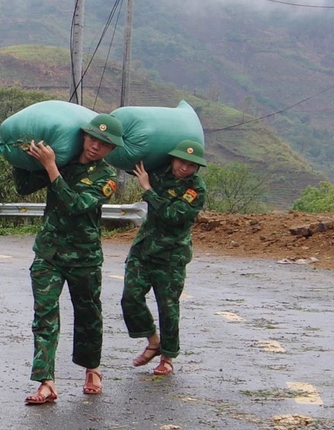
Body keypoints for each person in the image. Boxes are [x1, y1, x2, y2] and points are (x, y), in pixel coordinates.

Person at [18, 114, 123, 406]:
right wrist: (22, 157)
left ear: (111, 150)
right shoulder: (62, 159)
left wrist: (51, 167)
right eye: (92, 139)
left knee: (88, 315)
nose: (95, 147)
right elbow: (24, 186)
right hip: (49, 252)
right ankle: (46, 382)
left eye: (104, 144)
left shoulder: (106, 178)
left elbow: (76, 205)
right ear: (83, 136)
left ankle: (92, 369)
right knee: (44, 316)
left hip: (84, 256)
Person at [123, 140, 207, 377]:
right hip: (143, 249)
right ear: (172, 159)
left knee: (168, 307)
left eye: (191, 165)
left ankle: (167, 357)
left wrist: (148, 190)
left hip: (171, 255)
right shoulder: (159, 173)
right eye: (181, 161)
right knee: (131, 297)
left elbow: (173, 215)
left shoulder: (196, 189)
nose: (184, 168)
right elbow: (133, 163)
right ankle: (153, 340)